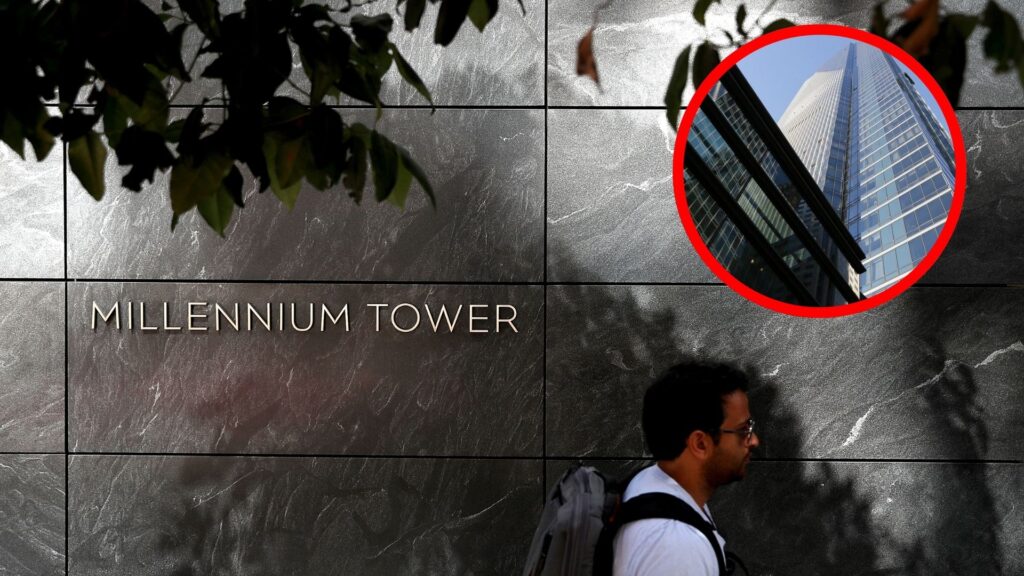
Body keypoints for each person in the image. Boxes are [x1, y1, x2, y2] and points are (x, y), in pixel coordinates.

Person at [613, 361, 759, 576]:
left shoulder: (650, 483)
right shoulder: (677, 548)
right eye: (743, 430)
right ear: (700, 444)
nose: (753, 440)